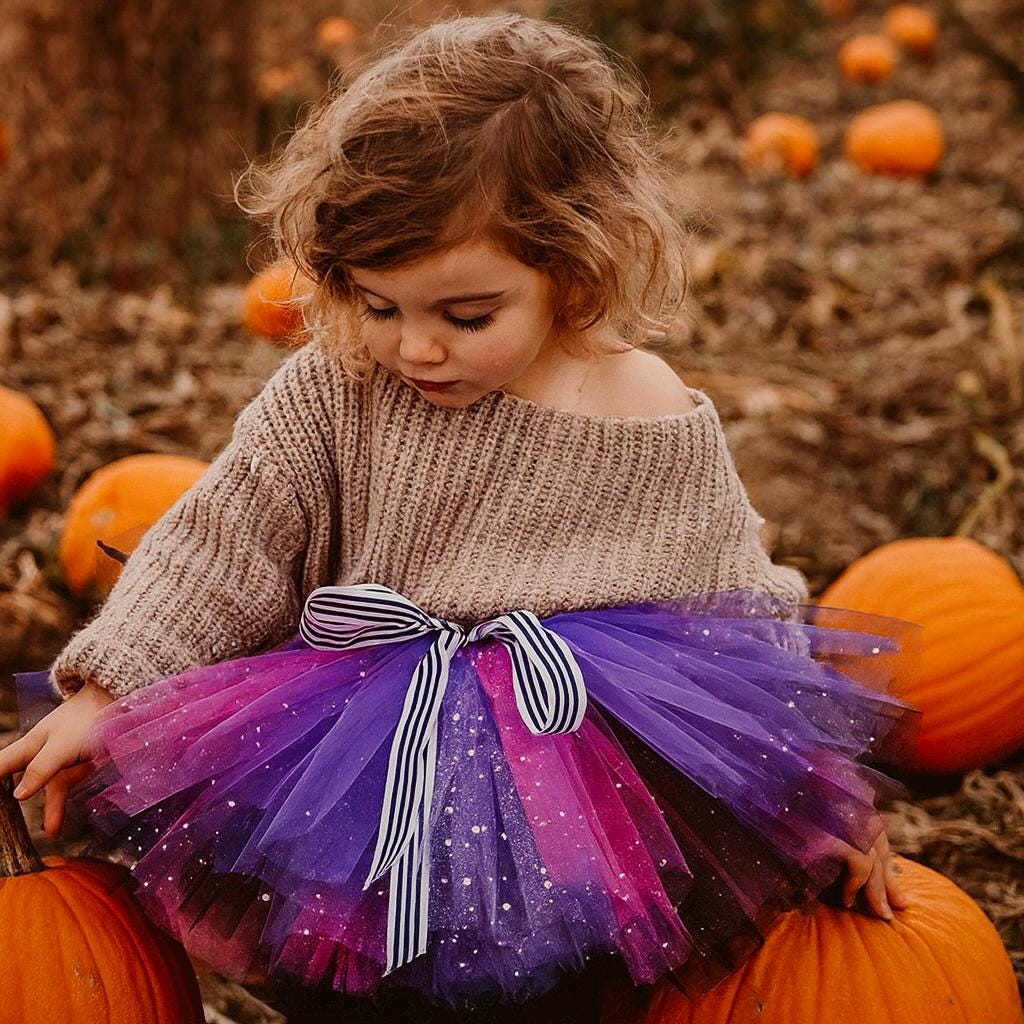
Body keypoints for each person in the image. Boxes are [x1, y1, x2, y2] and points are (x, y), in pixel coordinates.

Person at [1, 13, 921, 1024]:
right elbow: (229, 534)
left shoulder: (639, 408)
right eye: (379, 304)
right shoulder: (336, 386)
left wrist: (812, 791)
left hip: (567, 766)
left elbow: (738, 603)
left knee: (559, 982)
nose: (416, 349)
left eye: (465, 315)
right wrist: (112, 681)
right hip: (358, 742)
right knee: (347, 970)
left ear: (571, 267)